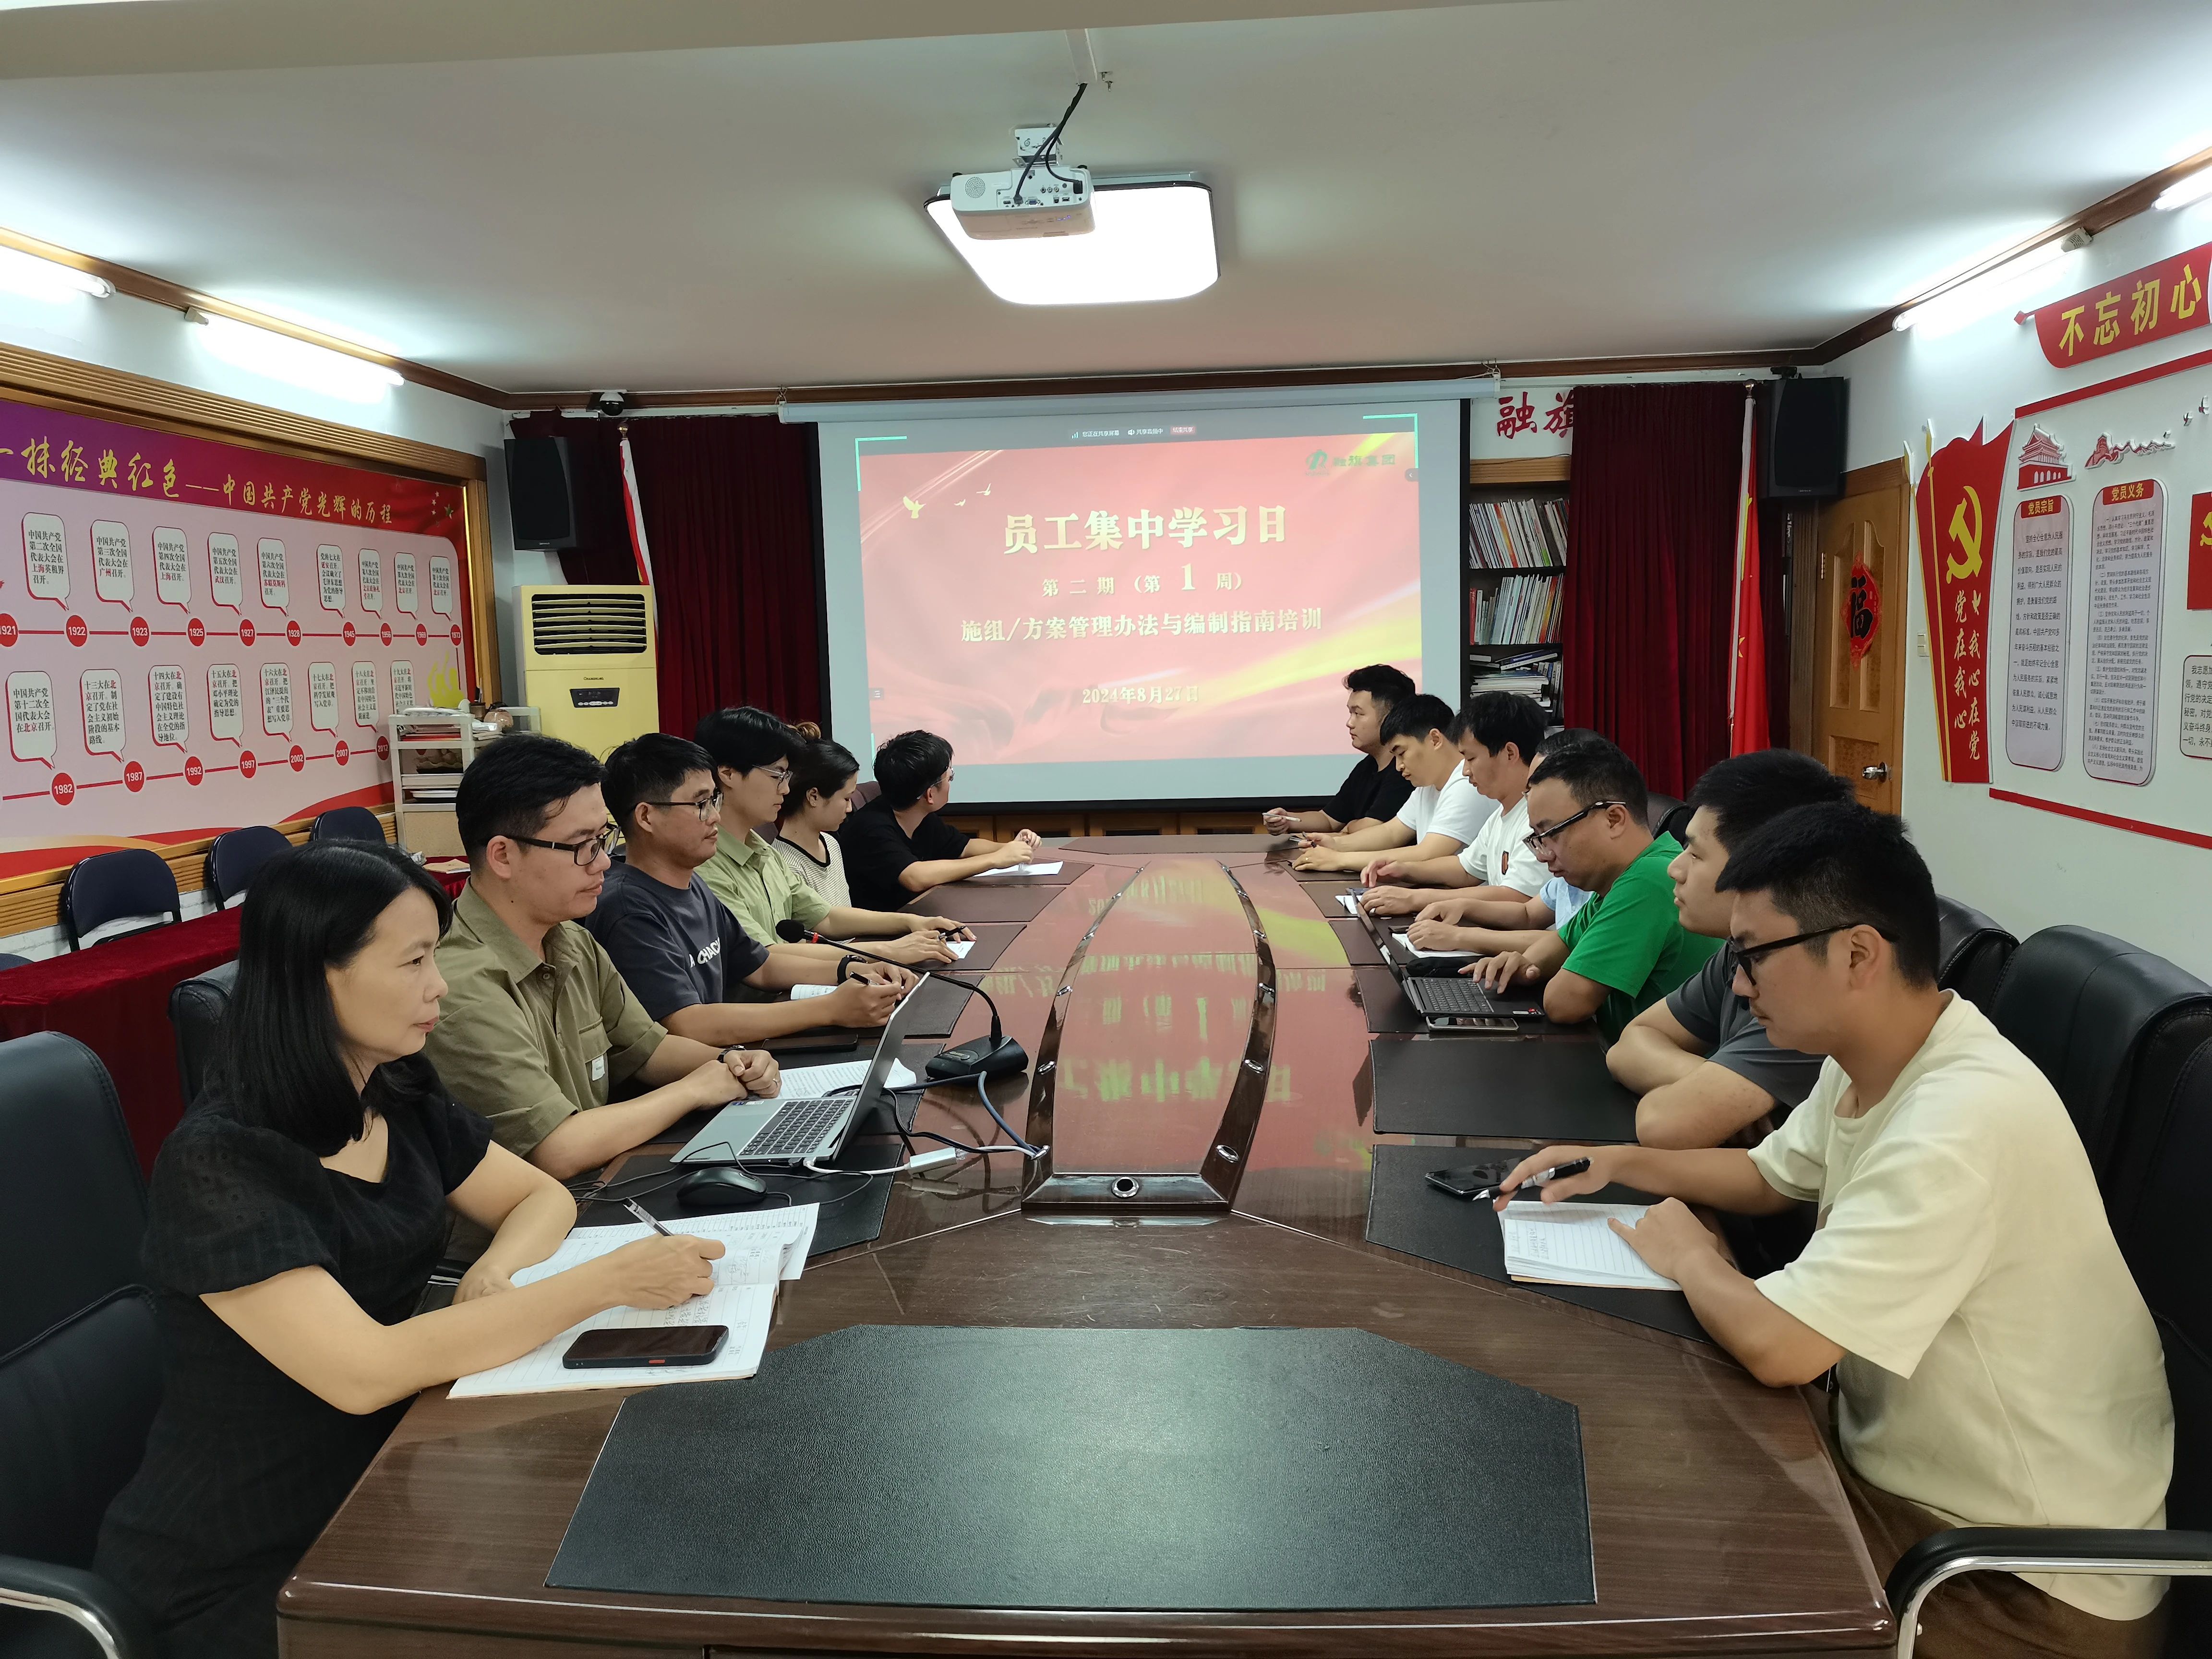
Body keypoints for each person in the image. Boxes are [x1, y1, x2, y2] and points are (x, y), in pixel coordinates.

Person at [1496, 802, 2172, 1659]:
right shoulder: (1877, 1060)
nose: (1738, 985)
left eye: (1753, 956)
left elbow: (1782, 1348)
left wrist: (1692, 1257)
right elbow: (1770, 1175)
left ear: (1856, 953)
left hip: (2020, 1584)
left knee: (1648, 1553)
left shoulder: (1960, 1121)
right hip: (1910, 1491)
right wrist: (1620, 1162)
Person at [94, 841, 727, 1659]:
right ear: (318, 975)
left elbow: (535, 1196)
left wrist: (495, 1270)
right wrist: (604, 1283)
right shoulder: (223, 1159)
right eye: (415, 961)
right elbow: (364, 1372)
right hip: (249, 1562)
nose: (440, 985)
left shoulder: (392, 1086)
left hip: (392, 1477)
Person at [423, 733, 781, 1182]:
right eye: (582, 846)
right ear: (503, 855)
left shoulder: (572, 939)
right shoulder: (458, 985)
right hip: (538, 1215)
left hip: (598, 1186)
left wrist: (732, 1061)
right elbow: (557, 1148)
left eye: (602, 839)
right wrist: (694, 1089)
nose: (604, 863)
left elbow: (649, 1049)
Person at [589, 733, 912, 1050]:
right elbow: (686, 1024)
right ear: (646, 817)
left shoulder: (692, 883)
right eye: (701, 804)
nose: (715, 816)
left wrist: (853, 968)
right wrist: (830, 1008)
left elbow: (761, 966)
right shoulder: (629, 908)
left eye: (714, 801)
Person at [1608, 748, 1853, 1149]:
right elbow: (1630, 1042)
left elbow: (1667, 1122)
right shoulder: (1739, 951)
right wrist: (1707, 1079)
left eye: (1695, 853)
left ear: (1759, 867)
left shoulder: (1807, 975)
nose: (1675, 868)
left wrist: (1699, 1089)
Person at [1469, 737, 1719, 1036]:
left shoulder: (1649, 879)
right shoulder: (1619, 879)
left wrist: (1540, 969)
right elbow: (1559, 943)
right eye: (1537, 838)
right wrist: (1524, 964)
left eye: (1551, 834)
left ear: (1613, 819)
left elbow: (1564, 1004)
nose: (1543, 855)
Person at [693, 708, 966, 968]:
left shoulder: (762, 849)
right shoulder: (705, 864)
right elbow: (765, 957)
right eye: (777, 775)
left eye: (787, 776)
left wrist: (911, 923)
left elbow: (825, 917)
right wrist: (888, 951)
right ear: (728, 774)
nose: (786, 789)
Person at [1360, 691, 1550, 909]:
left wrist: (1415, 899)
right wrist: (1404, 869)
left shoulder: (1539, 819)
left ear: (1509, 753)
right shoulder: (1502, 814)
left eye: (1471, 758)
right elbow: (1466, 869)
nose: (1466, 771)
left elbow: (1517, 897)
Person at [839, 729, 1043, 914]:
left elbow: (964, 847)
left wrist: (1012, 847)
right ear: (930, 794)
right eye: (949, 778)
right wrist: (995, 860)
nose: (950, 783)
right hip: (882, 933)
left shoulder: (918, 816)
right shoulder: (872, 828)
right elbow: (915, 877)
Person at [1289, 693, 1492, 876]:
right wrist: (1335, 844)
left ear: (1435, 739)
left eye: (1402, 753)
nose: (1398, 766)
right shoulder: (1428, 786)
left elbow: (1427, 853)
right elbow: (1392, 832)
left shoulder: (1467, 784)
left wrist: (1339, 860)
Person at [1260, 664, 1417, 836]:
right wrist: (1287, 819)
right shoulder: (1367, 767)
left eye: (1358, 714)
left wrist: (1349, 829)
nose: (1350, 723)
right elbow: (1329, 820)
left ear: (1390, 717)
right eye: (1350, 714)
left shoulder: (1405, 771)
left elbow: (1373, 829)